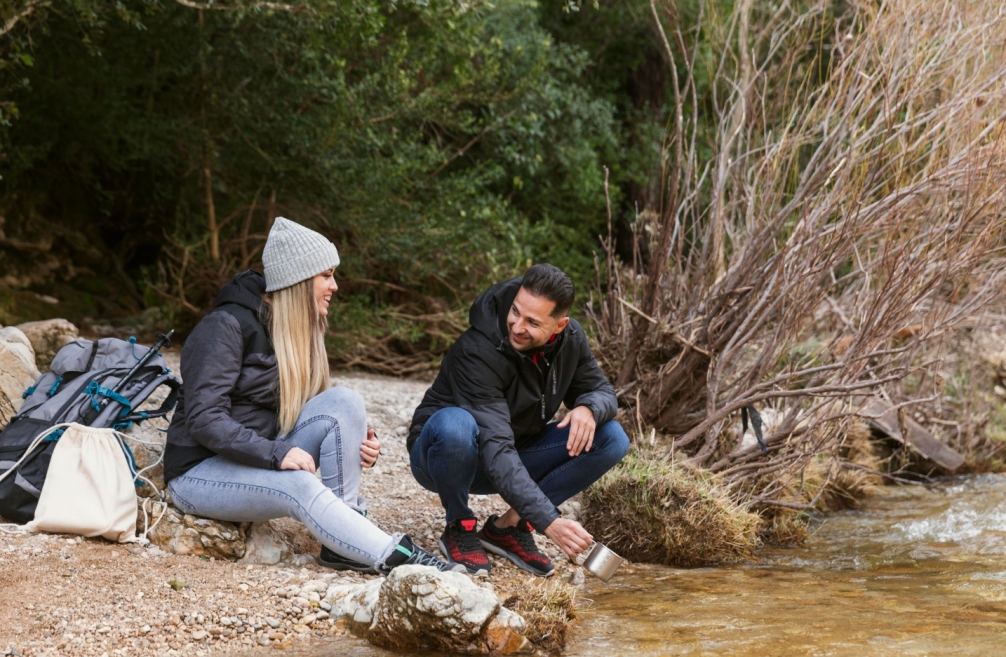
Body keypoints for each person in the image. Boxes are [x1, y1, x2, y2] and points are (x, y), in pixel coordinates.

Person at [164, 217, 457, 575]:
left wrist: (357, 442)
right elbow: (204, 419)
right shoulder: (225, 326)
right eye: (327, 275)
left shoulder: (292, 327)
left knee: (345, 401)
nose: (334, 286)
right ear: (298, 280)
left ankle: (344, 541)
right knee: (298, 484)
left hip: (255, 455)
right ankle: (393, 555)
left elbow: (307, 411)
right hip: (197, 474)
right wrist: (277, 453)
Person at [408, 263, 630, 576]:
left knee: (612, 437)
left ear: (559, 325)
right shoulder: (477, 350)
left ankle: (509, 528)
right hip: (443, 456)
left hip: (512, 450)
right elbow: (495, 446)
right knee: (456, 425)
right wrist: (549, 521)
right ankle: (458, 525)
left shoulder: (571, 339)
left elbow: (601, 390)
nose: (516, 326)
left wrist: (588, 407)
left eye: (532, 322)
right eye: (515, 311)